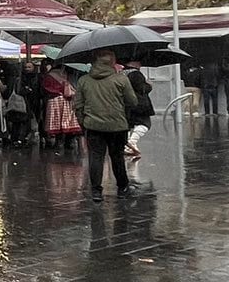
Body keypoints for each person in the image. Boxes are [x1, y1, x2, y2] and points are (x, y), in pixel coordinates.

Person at [78, 50, 141, 202]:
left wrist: (83, 122)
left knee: (96, 157)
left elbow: (78, 105)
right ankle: (122, 187)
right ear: (113, 62)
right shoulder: (121, 79)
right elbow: (133, 102)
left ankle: (96, 191)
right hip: (117, 125)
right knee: (117, 156)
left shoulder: (84, 80)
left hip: (93, 125)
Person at [40, 61, 82, 151]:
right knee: (67, 121)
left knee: (56, 122)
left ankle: (58, 142)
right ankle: (68, 141)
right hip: (67, 100)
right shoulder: (68, 75)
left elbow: (45, 88)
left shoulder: (49, 75)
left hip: (54, 100)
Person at [123, 60, 154, 161]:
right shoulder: (136, 74)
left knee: (128, 125)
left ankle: (126, 144)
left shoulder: (121, 73)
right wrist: (149, 85)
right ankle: (131, 143)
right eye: (138, 62)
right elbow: (142, 89)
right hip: (140, 104)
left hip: (126, 103)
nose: (140, 64)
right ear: (133, 63)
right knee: (145, 124)